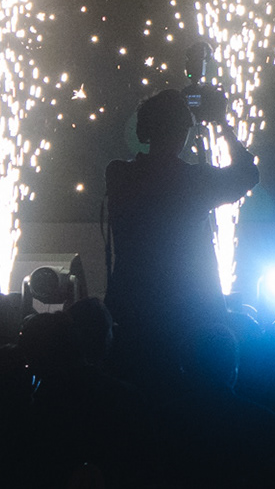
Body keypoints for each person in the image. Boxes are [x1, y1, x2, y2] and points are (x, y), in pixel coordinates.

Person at [102, 82, 258, 357]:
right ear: (183, 132)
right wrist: (220, 121)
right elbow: (247, 174)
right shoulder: (194, 180)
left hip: (131, 307)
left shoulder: (118, 174)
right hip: (188, 308)